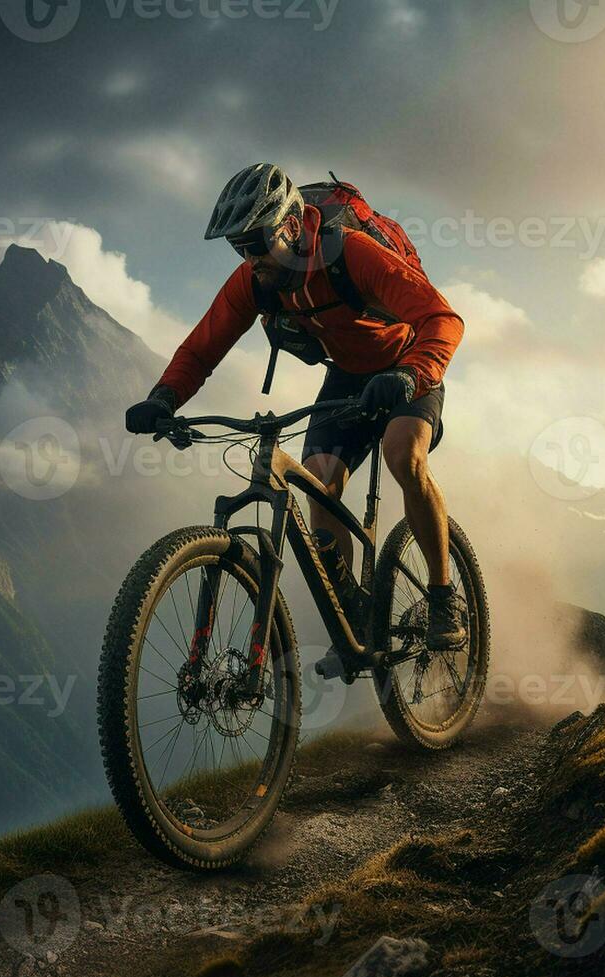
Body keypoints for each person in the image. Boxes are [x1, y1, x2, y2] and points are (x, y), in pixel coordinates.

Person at [126, 163, 468, 650]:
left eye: (255, 242)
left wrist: (412, 374)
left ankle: (442, 595)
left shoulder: (351, 254)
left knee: (402, 456)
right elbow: (203, 347)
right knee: (317, 481)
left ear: (288, 224)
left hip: (407, 364)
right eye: (238, 247)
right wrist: (164, 397)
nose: (248, 257)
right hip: (349, 376)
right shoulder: (256, 280)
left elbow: (442, 317)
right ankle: (356, 612)